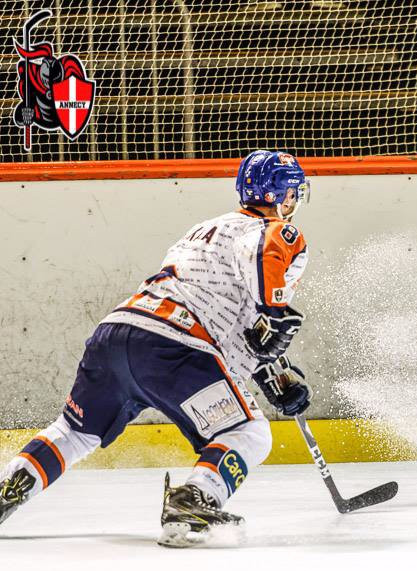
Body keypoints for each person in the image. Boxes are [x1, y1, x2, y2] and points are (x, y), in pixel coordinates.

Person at [0, 150, 314, 544]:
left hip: (117, 333)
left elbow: (231, 317)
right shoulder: (273, 230)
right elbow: (265, 259)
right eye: (292, 192)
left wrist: (271, 371)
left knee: (74, 432)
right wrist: (276, 314)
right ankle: (195, 499)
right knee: (249, 432)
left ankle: (12, 483)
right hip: (173, 348)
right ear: (283, 196)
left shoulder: (206, 228)